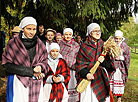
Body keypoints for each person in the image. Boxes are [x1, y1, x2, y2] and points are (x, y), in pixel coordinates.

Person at [2, 16, 49, 102]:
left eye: (34, 29)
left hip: (36, 83)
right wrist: (31, 71)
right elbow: (7, 65)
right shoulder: (13, 43)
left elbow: (45, 61)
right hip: (18, 82)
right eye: (29, 29)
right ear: (23, 28)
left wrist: (40, 67)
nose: (32, 32)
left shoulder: (40, 44)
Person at [75, 23, 115, 102]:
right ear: (90, 33)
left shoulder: (105, 46)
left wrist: (103, 62)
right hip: (88, 79)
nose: (97, 33)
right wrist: (87, 74)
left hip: (102, 78)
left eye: (99, 31)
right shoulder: (84, 46)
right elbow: (79, 65)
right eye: (95, 31)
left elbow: (110, 65)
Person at [58, 28, 80, 102]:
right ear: (63, 35)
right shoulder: (60, 44)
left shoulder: (76, 45)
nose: (68, 36)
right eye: (66, 34)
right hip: (62, 70)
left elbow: (77, 57)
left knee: (72, 85)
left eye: (70, 34)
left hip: (72, 69)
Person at [110, 30, 131, 102]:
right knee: (112, 82)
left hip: (120, 68)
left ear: (122, 38)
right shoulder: (112, 44)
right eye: (116, 38)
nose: (118, 40)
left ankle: (119, 98)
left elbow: (128, 56)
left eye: (119, 38)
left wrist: (121, 58)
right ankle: (110, 96)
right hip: (112, 67)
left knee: (120, 82)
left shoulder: (125, 46)